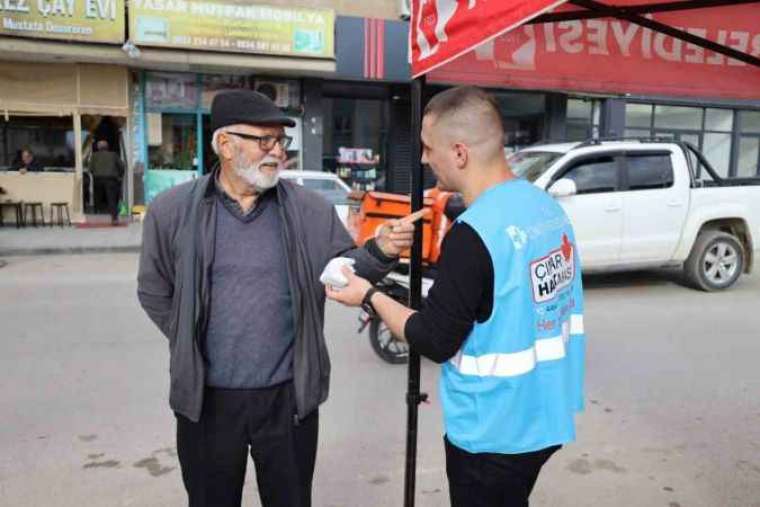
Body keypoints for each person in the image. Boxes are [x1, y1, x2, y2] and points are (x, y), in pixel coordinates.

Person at [137, 89, 414, 507]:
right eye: (263, 141)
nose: (276, 152)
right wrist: (188, 340)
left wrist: (381, 252)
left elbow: (341, 275)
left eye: (280, 142)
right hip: (206, 402)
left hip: (288, 400)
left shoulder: (308, 210)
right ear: (225, 145)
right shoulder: (172, 211)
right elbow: (154, 289)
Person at [327, 86, 586, 507]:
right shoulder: (544, 208)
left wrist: (369, 295)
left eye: (429, 148)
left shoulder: (474, 234)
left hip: (493, 432)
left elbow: (434, 338)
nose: (425, 158)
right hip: (544, 412)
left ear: (460, 153)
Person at [89, 140, 124, 224]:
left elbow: (90, 168)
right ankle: (114, 219)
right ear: (107, 147)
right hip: (111, 179)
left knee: (97, 197)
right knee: (111, 199)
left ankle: (95, 215)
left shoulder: (94, 156)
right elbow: (121, 166)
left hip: (98, 179)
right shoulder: (114, 155)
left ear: (98, 147)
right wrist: (119, 176)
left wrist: (95, 174)